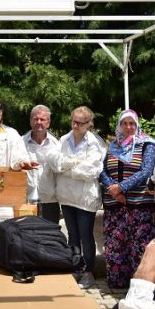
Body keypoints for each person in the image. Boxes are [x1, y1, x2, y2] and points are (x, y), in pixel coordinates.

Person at [48, 106, 106, 289]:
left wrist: (69, 168)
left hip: (85, 197)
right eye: (73, 121)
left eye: (80, 123)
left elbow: (92, 170)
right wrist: (74, 164)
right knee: (72, 235)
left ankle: (88, 272)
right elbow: (56, 164)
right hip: (66, 195)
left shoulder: (95, 143)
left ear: (89, 124)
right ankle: (75, 268)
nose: (75, 125)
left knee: (85, 235)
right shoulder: (64, 139)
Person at [100, 109, 155, 289]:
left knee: (139, 246)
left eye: (132, 123)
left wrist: (122, 187)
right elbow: (101, 170)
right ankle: (117, 283)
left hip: (139, 204)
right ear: (119, 125)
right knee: (115, 245)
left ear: (137, 124)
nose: (128, 127)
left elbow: (147, 170)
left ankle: (140, 286)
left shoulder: (147, 144)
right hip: (114, 204)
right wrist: (114, 191)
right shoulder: (112, 146)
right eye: (124, 123)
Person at [22, 105, 61, 223]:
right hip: (26, 200)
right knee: (26, 237)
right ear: (30, 121)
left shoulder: (56, 144)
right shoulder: (20, 143)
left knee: (49, 237)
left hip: (49, 200)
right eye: (35, 119)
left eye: (42, 119)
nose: (39, 122)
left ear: (48, 123)